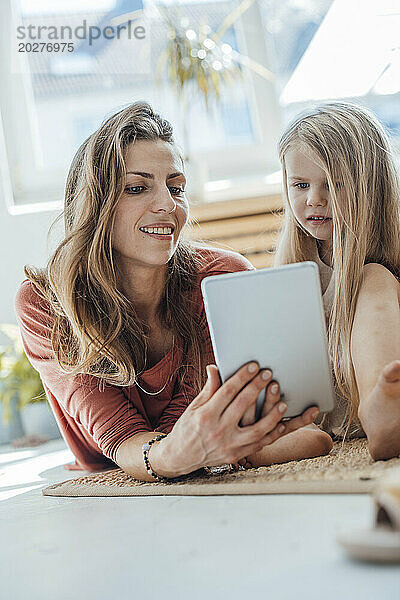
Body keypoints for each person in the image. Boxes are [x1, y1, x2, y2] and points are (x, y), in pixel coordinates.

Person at [14, 102, 325, 482]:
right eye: (137, 188)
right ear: (94, 205)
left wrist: (195, 450)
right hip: (116, 463)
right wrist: (183, 455)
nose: (167, 205)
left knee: (308, 438)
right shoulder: (48, 301)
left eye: (176, 187)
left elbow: (197, 420)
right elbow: (121, 437)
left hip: (194, 448)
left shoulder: (221, 279)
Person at [275, 101, 400, 460]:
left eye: (333, 184)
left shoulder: (379, 274)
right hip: (316, 422)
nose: (315, 199)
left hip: (365, 406)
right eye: (300, 185)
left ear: (368, 187)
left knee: (371, 277)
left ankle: (384, 408)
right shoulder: (296, 268)